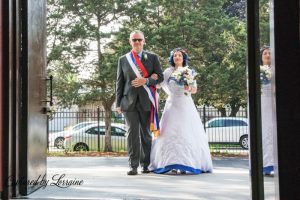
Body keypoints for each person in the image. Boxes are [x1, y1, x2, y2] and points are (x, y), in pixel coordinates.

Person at [148, 48, 213, 174]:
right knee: (169, 132)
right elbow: (158, 85)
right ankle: (170, 163)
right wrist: (153, 78)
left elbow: (194, 90)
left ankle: (186, 163)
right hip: (172, 105)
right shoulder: (168, 72)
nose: (177, 57)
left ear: (183, 58)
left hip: (186, 104)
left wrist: (189, 88)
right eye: (175, 56)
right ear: (172, 58)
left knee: (186, 131)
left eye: (179, 55)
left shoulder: (189, 71)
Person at [116, 30, 164, 175]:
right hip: (128, 101)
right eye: (134, 40)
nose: (137, 42)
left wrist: (147, 80)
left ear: (144, 41)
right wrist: (118, 103)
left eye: (139, 40)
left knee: (145, 134)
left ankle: (145, 165)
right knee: (132, 134)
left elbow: (160, 77)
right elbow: (119, 82)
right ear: (130, 42)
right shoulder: (123, 59)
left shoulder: (153, 57)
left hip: (146, 101)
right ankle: (133, 165)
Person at [260, 46, 275, 176]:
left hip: (274, 102)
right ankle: (264, 164)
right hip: (262, 102)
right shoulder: (257, 71)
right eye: (265, 53)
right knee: (264, 132)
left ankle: (275, 163)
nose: (268, 55)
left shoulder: (276, 70)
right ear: (261, 56)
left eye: (270, 53)